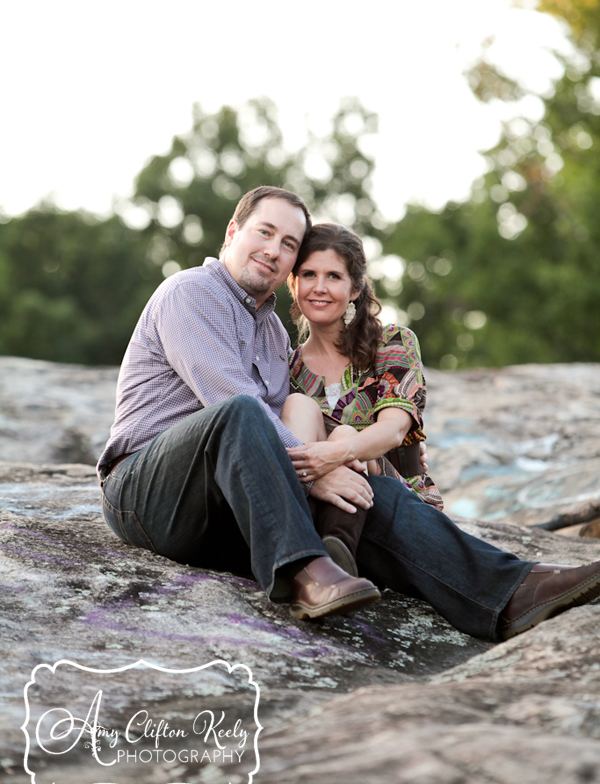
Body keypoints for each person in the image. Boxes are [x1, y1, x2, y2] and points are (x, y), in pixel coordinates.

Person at [98, 185, 600, 640]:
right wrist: (318, 471)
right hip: (148, 494)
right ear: (233, 231)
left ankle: (511, 592)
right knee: (242, 412)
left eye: (289, 244)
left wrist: (336, 466)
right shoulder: (189, 293)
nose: (274, 250)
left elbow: (286, 427)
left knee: (374, 492)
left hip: (224, 510)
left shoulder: (274, 336)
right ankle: (307, 574)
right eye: (264, 232)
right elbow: (231, 401)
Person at [280, 223, 443, 577]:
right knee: (298, 407)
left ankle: (330, 556)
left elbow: (393, 432)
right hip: (316, 501)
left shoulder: (393, 342)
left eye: (334, 276)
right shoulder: (285, 366)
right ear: (293, 284)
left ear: (355, 288)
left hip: (396, 507)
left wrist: (334, 451)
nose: (319, 288)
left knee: (342, 436)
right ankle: (321, 554)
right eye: (308, 274)